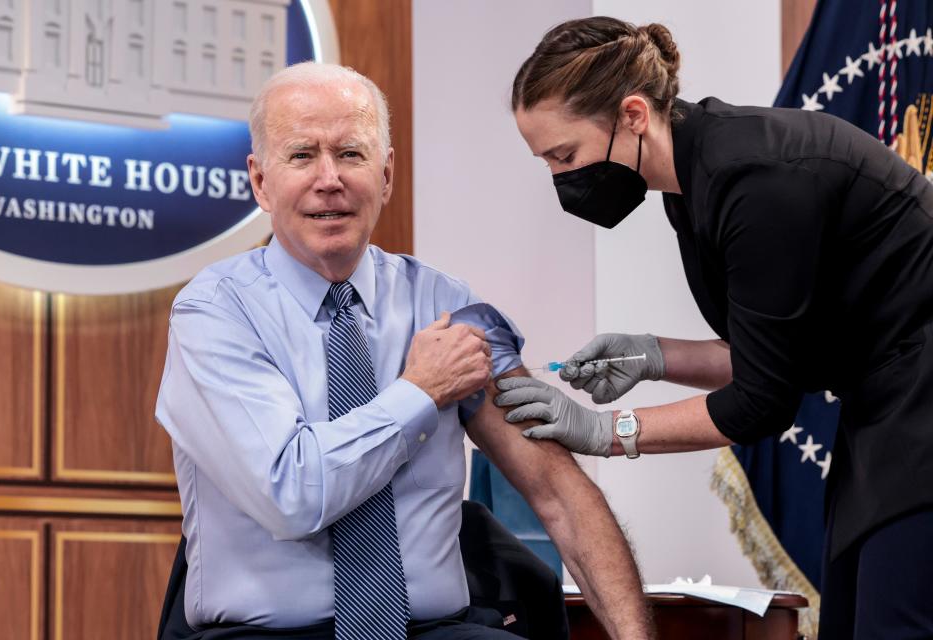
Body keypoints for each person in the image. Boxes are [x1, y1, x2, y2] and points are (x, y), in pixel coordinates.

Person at [155, 62, 652, 639]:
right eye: (300, 156)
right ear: (260, 181)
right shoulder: (214, 312)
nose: (329, 179)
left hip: (431, 630)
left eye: (351, 154)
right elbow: (290, 492)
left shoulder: (448, 306)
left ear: (386, 175)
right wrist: (419, 392)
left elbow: (558, 491)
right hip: (268, 633)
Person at [496, 16, 933, 640]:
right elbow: (770, 356)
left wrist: (607, 431)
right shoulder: (695, 181)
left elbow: (761, 404)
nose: (561, 178)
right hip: (887, 402)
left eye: (564, 155)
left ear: (634, 115)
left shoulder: (755, 180)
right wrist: (654, 356)